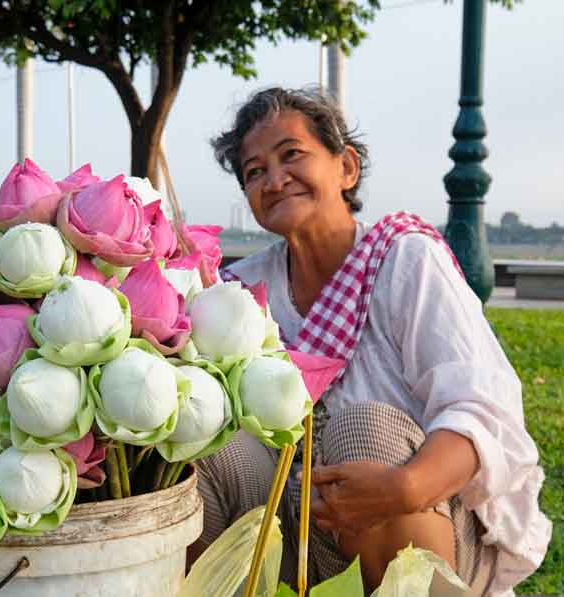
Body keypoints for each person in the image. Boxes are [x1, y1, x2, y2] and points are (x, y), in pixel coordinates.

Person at [192, 87, 550, 595]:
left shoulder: (406, 262)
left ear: (346, 168)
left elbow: (481, 409)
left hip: (422, 519)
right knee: (206, 443)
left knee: (365, 428)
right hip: (296, 526)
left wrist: (405, 488)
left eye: (291, 155)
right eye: (254, 171)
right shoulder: (239, 291)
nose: (274, 180)